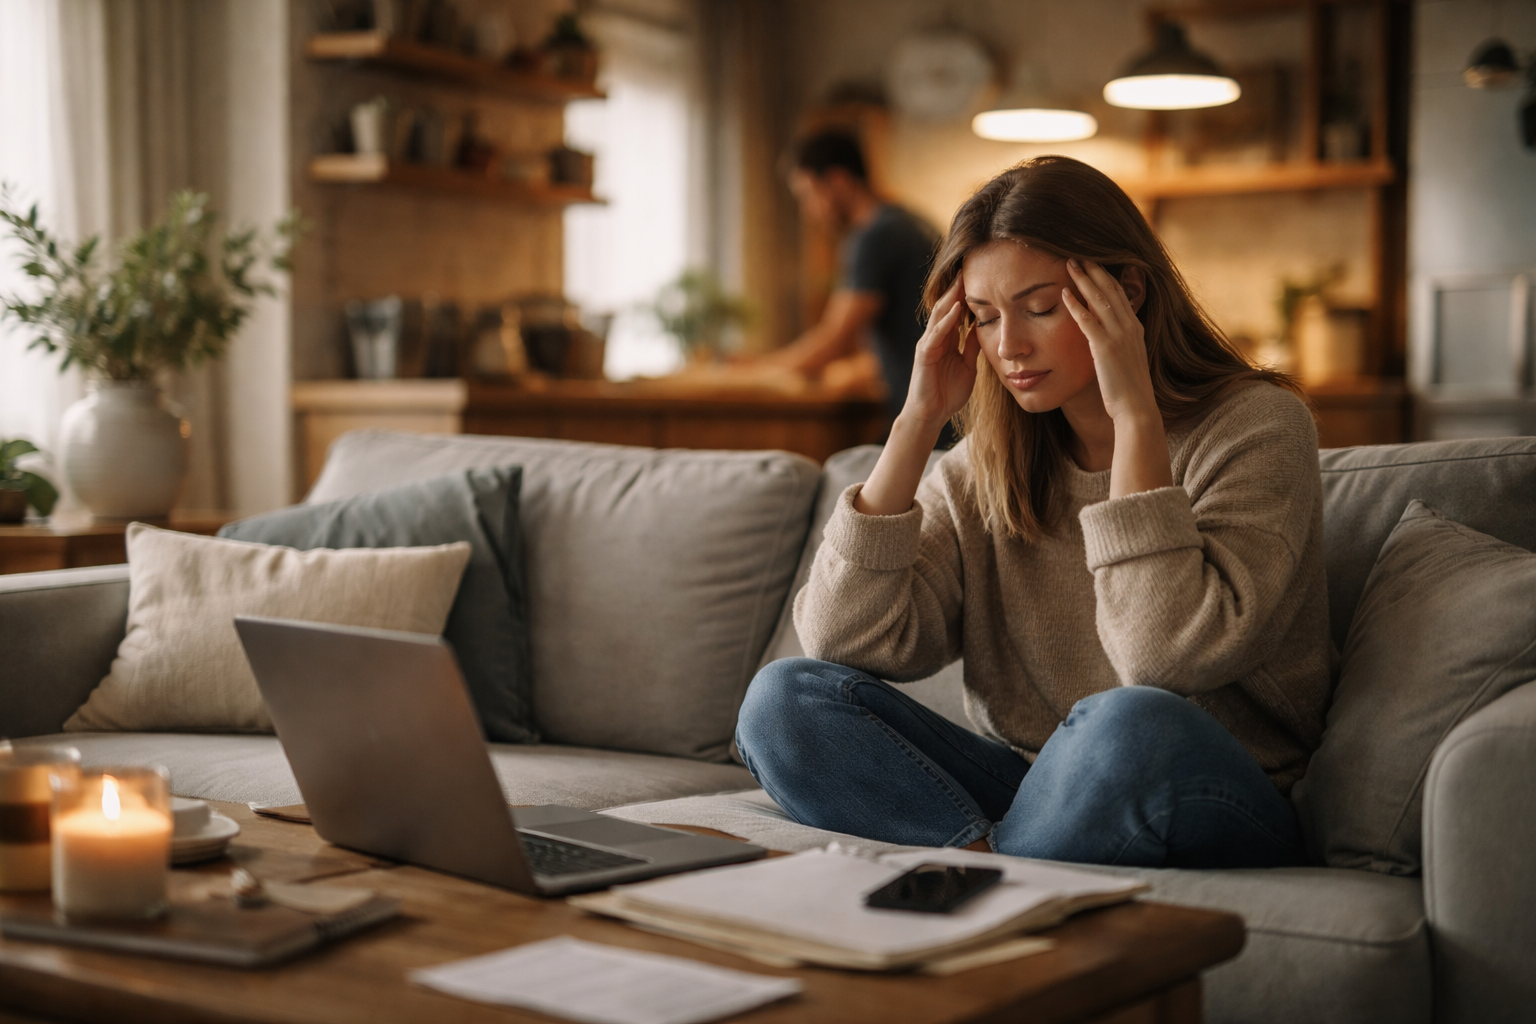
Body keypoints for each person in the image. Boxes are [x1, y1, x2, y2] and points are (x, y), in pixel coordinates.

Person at [734, 156, 1331, 869]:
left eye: (1041, 308)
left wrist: (1134, 417)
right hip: (1032, 783)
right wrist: (917, 420)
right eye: (984, 318)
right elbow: (843, 639)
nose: (1009, 346)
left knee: (1128, 720)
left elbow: (1164, 656)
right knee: (783, 697)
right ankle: (992, 868)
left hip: (1202, 778)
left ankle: (988, 877)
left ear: (1127, 291)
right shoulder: (985, 466)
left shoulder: (1258, 426)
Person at [767, 130, 943, 438]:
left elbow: (834, 338)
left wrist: (763, 372)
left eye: (809, 194)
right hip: (946, 406)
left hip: (930, 419)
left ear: (837, 180)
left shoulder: (874, 236)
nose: (809, 210)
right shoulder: (909, 222)